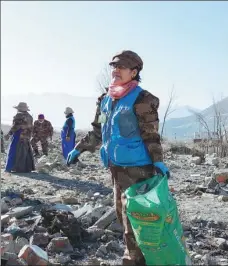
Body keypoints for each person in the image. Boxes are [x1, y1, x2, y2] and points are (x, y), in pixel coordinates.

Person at [66, 50, 170, 265]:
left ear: (133, 72)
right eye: (113, 67)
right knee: (121, 211)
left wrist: (158, 160)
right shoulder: (107, 98)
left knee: (137, 215)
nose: (115, 70)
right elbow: (98, 130)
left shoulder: (143, 99)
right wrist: (79, 148)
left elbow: (150, 135)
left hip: (138, 167)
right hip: (115, 166)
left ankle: (136, 258)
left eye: (121, 67)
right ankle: (134, 255)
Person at [4, 102, 35, 173]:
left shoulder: (19, 115)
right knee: (24, 152)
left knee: (13, 151)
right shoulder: (30, 116)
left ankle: (9, 168)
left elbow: (16, 126)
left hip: (18, 134)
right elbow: (31, 127)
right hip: (26, 136)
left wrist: (9, 134)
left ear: (19, 109)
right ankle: (25, 169)